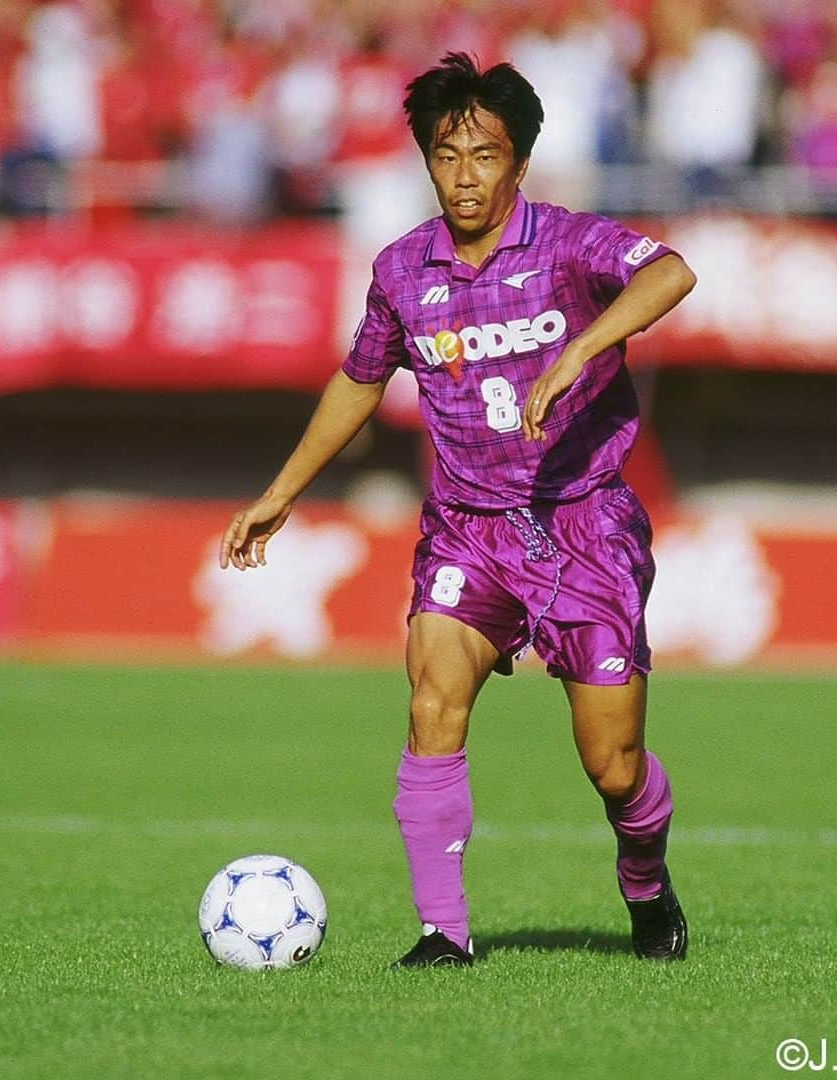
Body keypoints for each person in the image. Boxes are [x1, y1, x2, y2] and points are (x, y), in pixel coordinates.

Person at [220, 52, 697, 967]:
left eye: (484, 155)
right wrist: (279, 495)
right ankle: (444, 934)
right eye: (446, 155)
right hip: (468, 531)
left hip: (583, 525)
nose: (465, 175)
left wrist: (578, 352)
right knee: (432, 702)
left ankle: (645, 880)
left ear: (519, 161)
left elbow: (671, 274)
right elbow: (360, 381)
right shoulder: (403, 269)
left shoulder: (567, 243)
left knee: (615, 765)